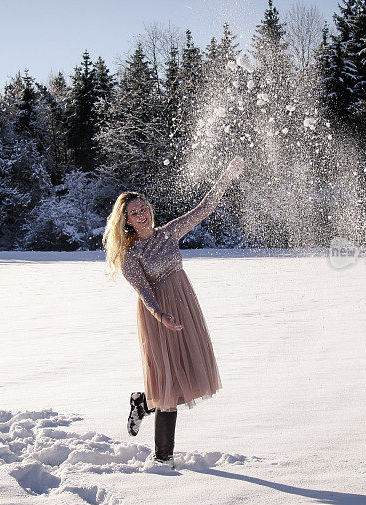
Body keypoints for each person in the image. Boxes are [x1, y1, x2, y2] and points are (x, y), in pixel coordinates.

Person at [102, 156, 245, 466]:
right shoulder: (130, 255)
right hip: (159, 316)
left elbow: (202, 210)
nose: (142, 215)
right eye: (134, 213)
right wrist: (160, 316)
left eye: (144, 209)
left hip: (185, 306)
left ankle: (142, 403)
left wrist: (224, 179)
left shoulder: (168, 232)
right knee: (168, 384)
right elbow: (144, 290)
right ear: (126, 221)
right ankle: (162, 458)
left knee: (185, 376)